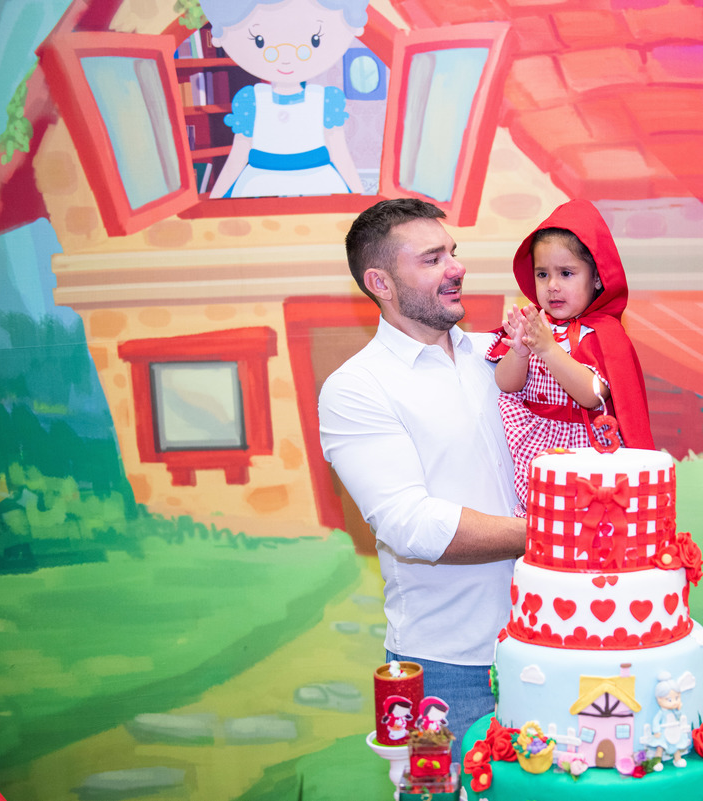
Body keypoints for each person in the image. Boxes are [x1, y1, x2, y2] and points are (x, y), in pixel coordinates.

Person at [318, 198, 526, 752]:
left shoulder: (499, 357)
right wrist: (555, 536)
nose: (457, 267)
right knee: (443, 789)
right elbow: (409, 525)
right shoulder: (356, 388)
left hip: (553, 645)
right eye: (433, 259)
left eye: (452, 252)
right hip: (449, 671)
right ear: (380, 283)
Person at [488, 200, 654, 511]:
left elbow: (592, 395)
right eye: (542, 274)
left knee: (583, 523)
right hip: (535, 449)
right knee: (537, 523)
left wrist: (548, 349)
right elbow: (506, 384)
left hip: (585, 450)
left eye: (566, 273)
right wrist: (520, 352)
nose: (552, 286)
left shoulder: (602, 334)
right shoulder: (535, 324)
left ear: (596, 278)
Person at [200, 0, 366, 198]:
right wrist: (215, 198)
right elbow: (238, 155)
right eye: (260, 41)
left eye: (314, 40)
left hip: (317, 178)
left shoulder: (324, 100)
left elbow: (340, 154)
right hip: (260, 180)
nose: (286, 59)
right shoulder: (251, 100)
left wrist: (361, 197)